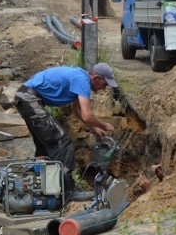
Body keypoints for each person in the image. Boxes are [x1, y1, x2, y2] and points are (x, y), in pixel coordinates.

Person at [14, 62, 117, 200]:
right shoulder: (83, 81)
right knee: (62, 142)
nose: (104, 88)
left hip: (25, 97)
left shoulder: (80, 78)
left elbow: (76, 109)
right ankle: (69, 190)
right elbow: (87, 115)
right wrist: (104, 125)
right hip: (29, 99)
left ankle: (43, 189)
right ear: (96, 78)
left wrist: (94, 128)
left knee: (46, 145)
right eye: (105, 84)